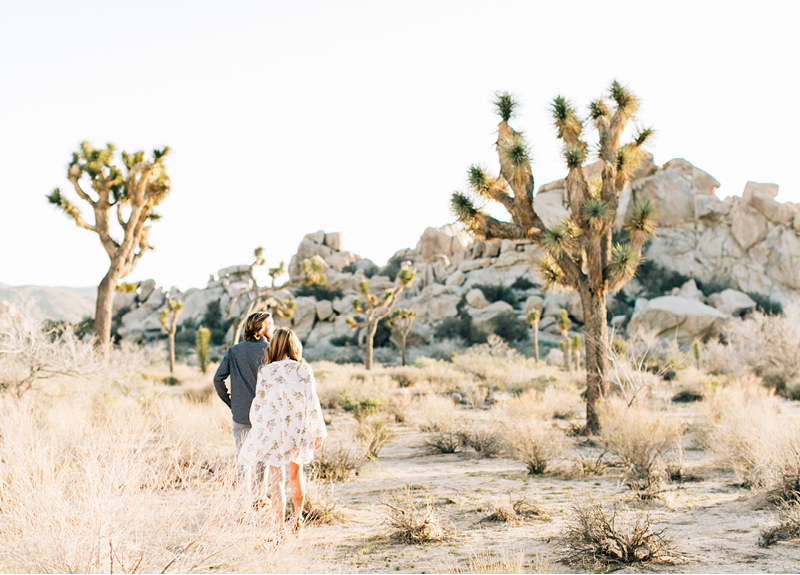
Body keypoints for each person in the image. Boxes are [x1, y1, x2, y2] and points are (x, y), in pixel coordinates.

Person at [239, 327, 327, 542]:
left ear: (275, 345)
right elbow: (312, 401)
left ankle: (279, 529)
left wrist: (257, 426)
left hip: (273, 430)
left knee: (276, 479)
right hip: (297, 429)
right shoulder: (303, 369)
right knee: (296, 474)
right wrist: (318, 430)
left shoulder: (266, 371)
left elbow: (258, 403)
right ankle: (297, 519)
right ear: (294, 345)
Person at [213, 311, 274, 497]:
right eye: (270, 323)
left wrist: (231, 403)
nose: (274, 327)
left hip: (241, 415)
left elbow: (218, 379)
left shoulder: (234, 351)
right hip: (265, 415)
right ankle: (258, 499)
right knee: (262, 460)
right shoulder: (272, 351)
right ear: (262, 328)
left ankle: (242, 507)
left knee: (243, 461)